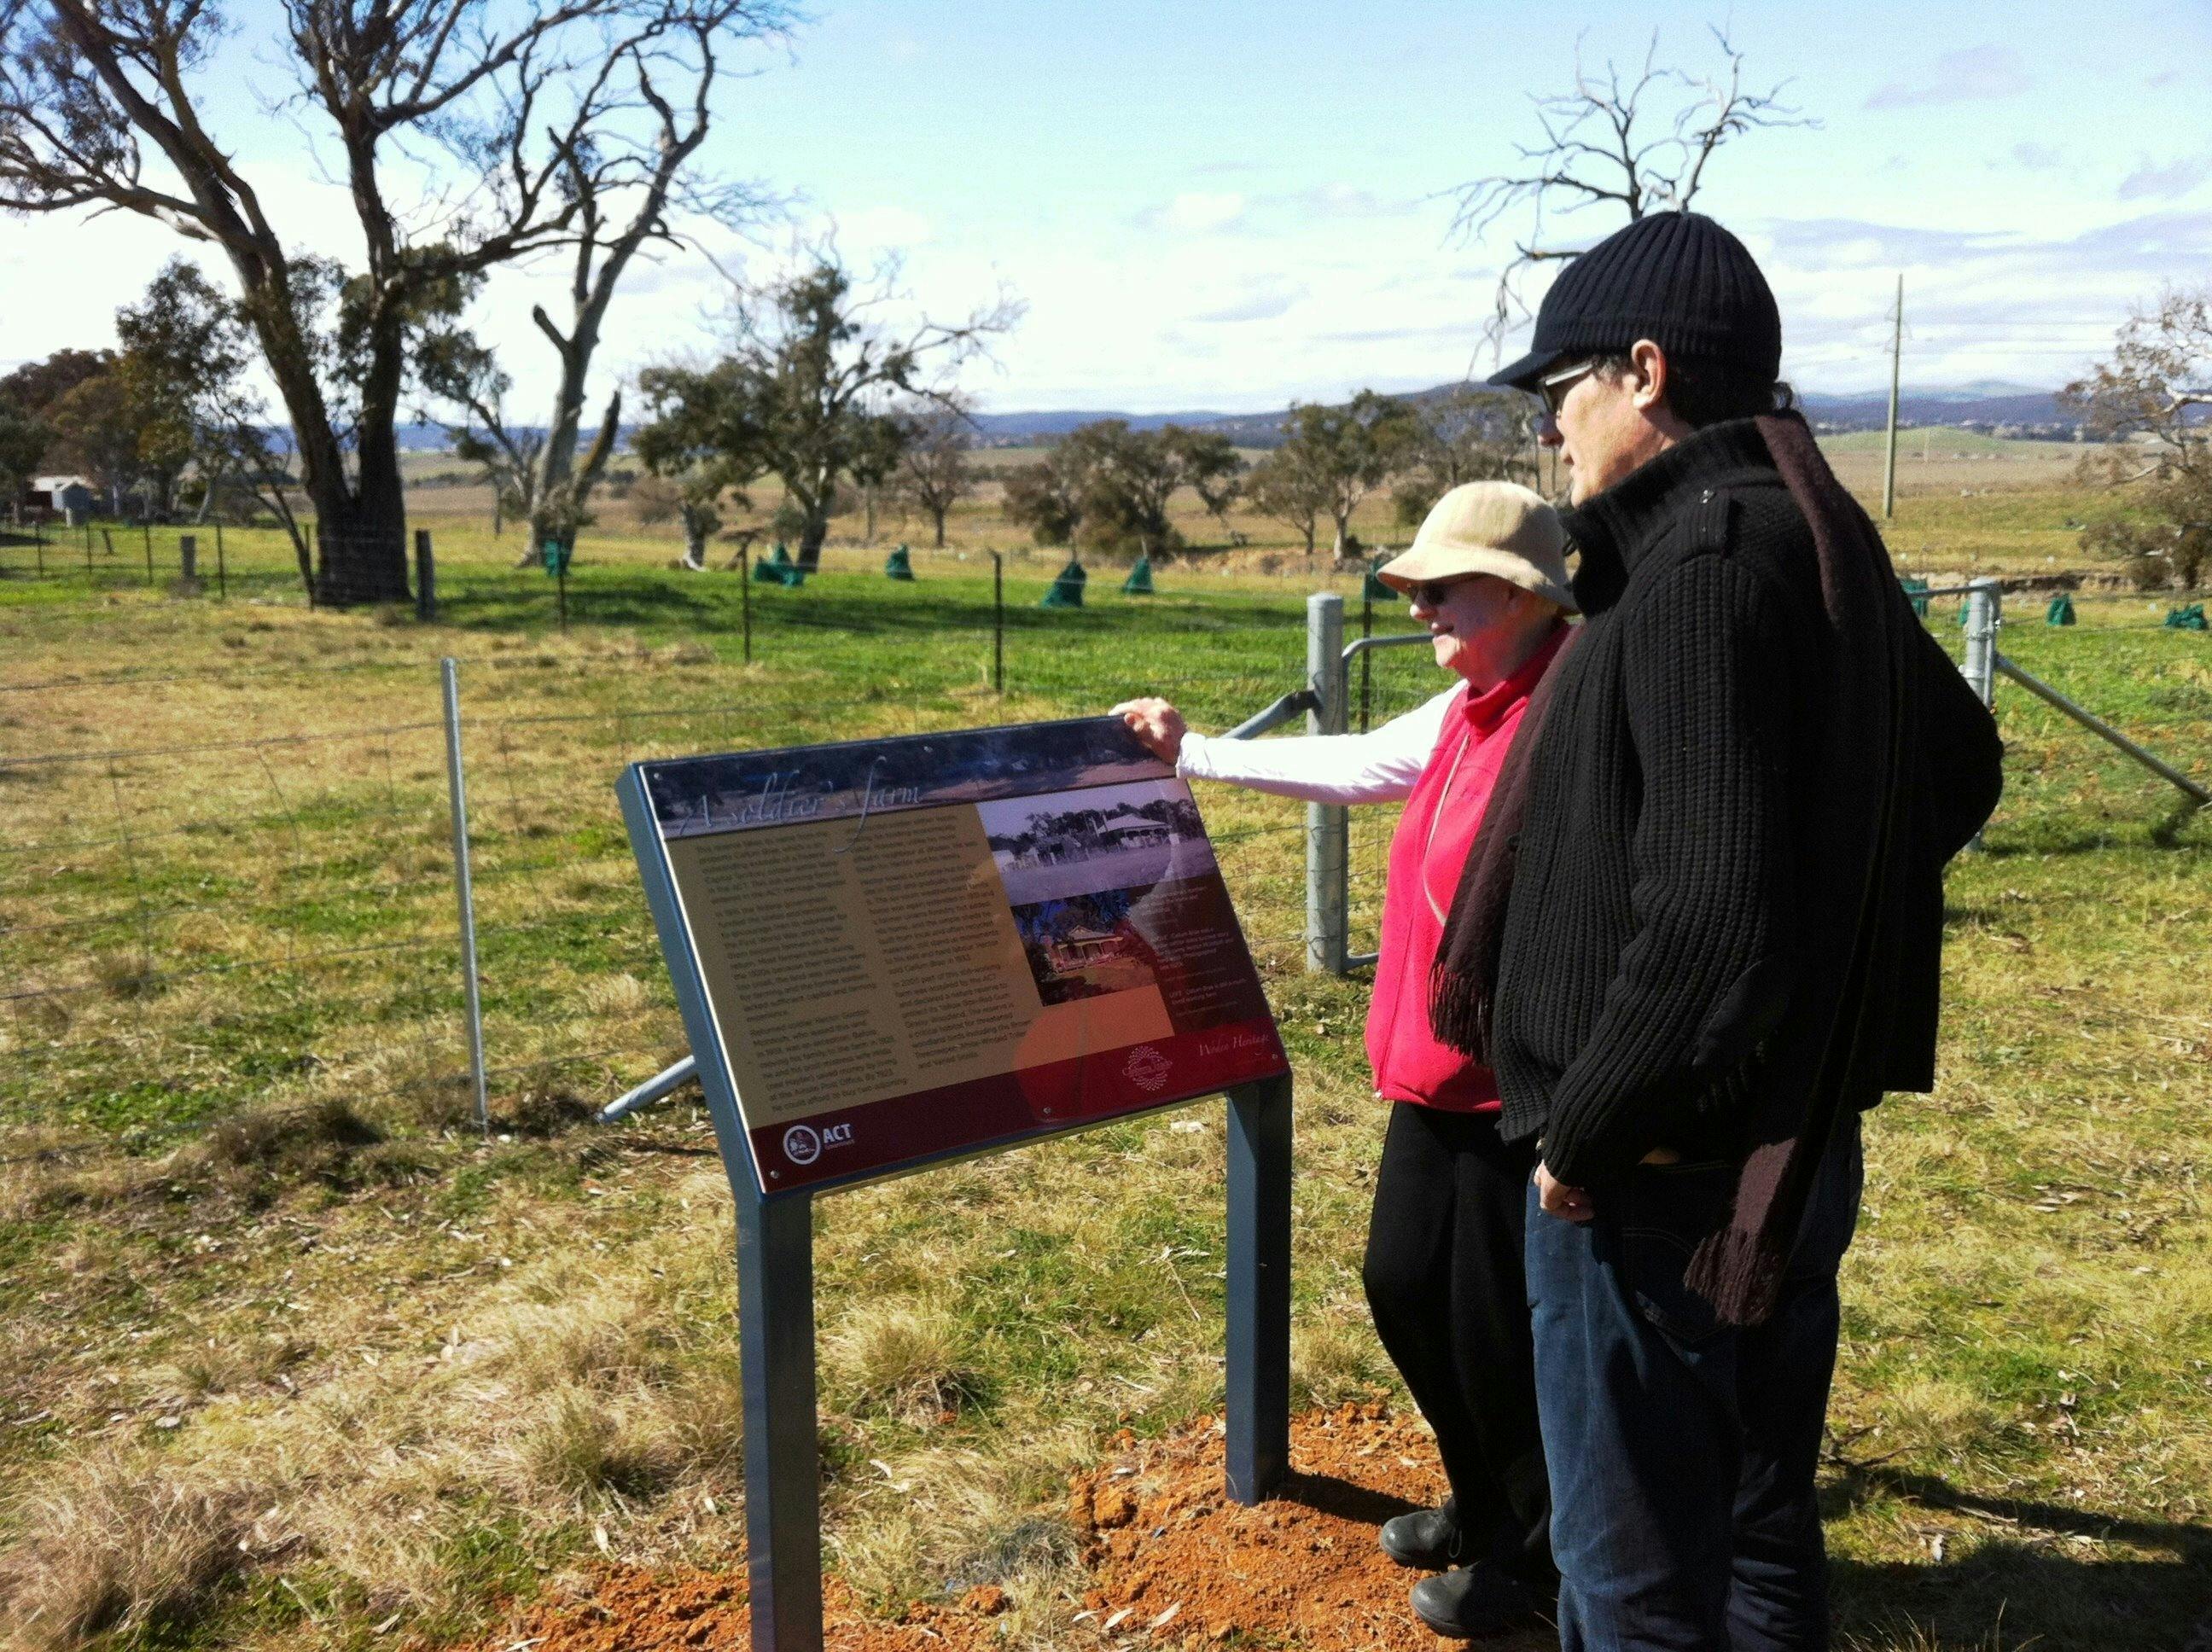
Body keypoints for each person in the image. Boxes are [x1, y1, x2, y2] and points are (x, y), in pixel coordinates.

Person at [1429, 212, 2003, 1650]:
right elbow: (1956, 756)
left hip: (1656, 1180)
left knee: (1629, 1578)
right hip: (1785, 1138)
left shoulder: (1699, 562)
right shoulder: (1811, 526)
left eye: (1558, 390)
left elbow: (1705, 915)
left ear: (1643, 369)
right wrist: (1824, 942)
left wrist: (1585, 1139)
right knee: (1755, 1527)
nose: (1551, 429)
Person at [1115, 481, 1574, 1639]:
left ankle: (1540, 1556)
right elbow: (1366, 763)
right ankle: (1483, 1498)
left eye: (1442, 585)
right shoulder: (1471, 703)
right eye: (1411, 587)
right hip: (1434, 1074)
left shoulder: (1568, 709)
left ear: (1519, 592)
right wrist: (1196, 756)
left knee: (1494, 1329)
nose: (1417, 605)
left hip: (1516, 1086)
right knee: (1403, 1286)